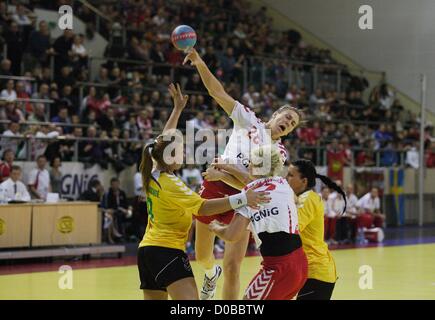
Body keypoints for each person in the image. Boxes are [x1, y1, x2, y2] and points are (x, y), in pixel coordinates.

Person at [183, 48, 302, 300]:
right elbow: (217, 92)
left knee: (233, 265)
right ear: (276, 114)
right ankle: (209, 273)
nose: (288, 123)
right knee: (202, 255)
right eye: (287, 117)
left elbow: (254, 182)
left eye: (292, 124)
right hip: (215, 191)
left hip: (246, 199)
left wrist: (223, 174)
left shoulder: (278, 153)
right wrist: (200, 61)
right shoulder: (248, 119)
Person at [137, 83, 270, 300]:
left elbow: (164, 140)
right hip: (168, 251)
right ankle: (211, 275)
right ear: (171, 156)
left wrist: (177, 109)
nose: (183, 154)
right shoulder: (173, 184)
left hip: (146, 250)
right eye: (180, 151)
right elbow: (204, 206)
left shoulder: (152, 172)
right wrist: (243, 198)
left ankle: (212, 275)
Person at [209, 145, 307, 300]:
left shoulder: (248, 194)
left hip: (277, 268)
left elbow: (231, 235)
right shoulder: (283, 184)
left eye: (250, 162)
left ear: (254, 165)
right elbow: (252, 180)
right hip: (301, 264)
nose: (248, 165)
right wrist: (226, 169)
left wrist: (215, 227)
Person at [287, 159, 347, 300]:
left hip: (316, 271)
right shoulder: (304, 198)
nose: (286, 178)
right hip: (314, 270)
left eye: (290, 175)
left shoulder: (307, 200)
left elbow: (291, 229)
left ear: (304, 181)